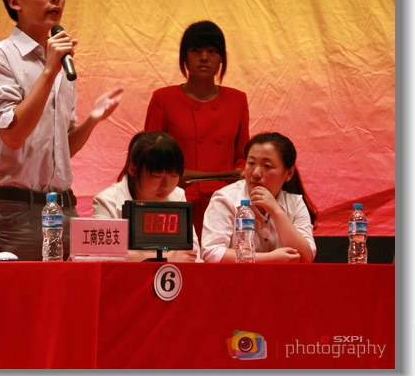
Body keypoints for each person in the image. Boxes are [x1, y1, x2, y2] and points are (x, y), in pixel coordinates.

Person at [0, 0, 124, 261]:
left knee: (72, 293)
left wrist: (92, 119)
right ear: (14, 1)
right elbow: (13, 136)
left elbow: (60, 149)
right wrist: (49, 71)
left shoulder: (59, 63)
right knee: (19, 293)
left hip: (64, 209)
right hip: (17, 213)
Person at [144, 20, 249, 243]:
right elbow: (149, 155)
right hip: (176, 201)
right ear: (184, 57)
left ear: (222, 58)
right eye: (196, 50)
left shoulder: (237, 100)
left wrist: (240, 172)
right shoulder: (163, 99)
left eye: (212, 51)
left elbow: (243, 155)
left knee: (221, 259)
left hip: (224, 202)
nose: (204, 57)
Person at [200, 132, 318, 263]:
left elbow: (305, 257)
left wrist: (277, 211)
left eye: (267, 166)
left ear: (289, 173)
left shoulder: (295, 203)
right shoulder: (225, 199)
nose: (256, 173)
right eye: (251, 163)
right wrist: (270, 259)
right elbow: (211, 253)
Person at [92, 131, 201, 262]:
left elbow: (192, 254)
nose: (166, 186)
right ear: (133, 170)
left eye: (174, 176)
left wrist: (134, 257)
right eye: (157, 176)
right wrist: (166, 257)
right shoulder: (107, 201)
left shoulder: (177, 196)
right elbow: (100, 255)